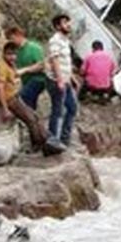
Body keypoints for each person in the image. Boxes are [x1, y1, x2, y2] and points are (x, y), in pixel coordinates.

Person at [0, 41, 57, 154]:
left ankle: (47, 142)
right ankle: (39, 145)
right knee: (31, 119)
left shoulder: (8, 65)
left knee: (34, 117)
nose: (12, 57)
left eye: (14, 54)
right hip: (10, 100)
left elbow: (13, 76)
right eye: (9, 54)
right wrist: (5, 109)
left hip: (14, 96)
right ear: (4, 54)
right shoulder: (2, 66)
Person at [43, 14, 80, 149]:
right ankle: (53, 141)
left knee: (72, 108)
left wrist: (72, 78)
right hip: (56, 80)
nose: (68, 24)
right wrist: (60, 80)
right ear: (58, 26)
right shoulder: (55, 40)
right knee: (58, 111)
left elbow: (65, 63)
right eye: (65, 22)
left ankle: (64, 140)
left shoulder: (65, 41)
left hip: (66, 80)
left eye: (68, 22)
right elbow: (55, 60)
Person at [6, 26, 49, 112]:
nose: (11, 41)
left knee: (22, 98)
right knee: (30, 106)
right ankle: (33, 122)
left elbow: (41, 66)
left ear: (19, 35)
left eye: (12, 38)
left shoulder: (34, 47)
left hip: (39, 79)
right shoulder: (17, 52)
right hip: (26, 82)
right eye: (9, 39)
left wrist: (25, 70)